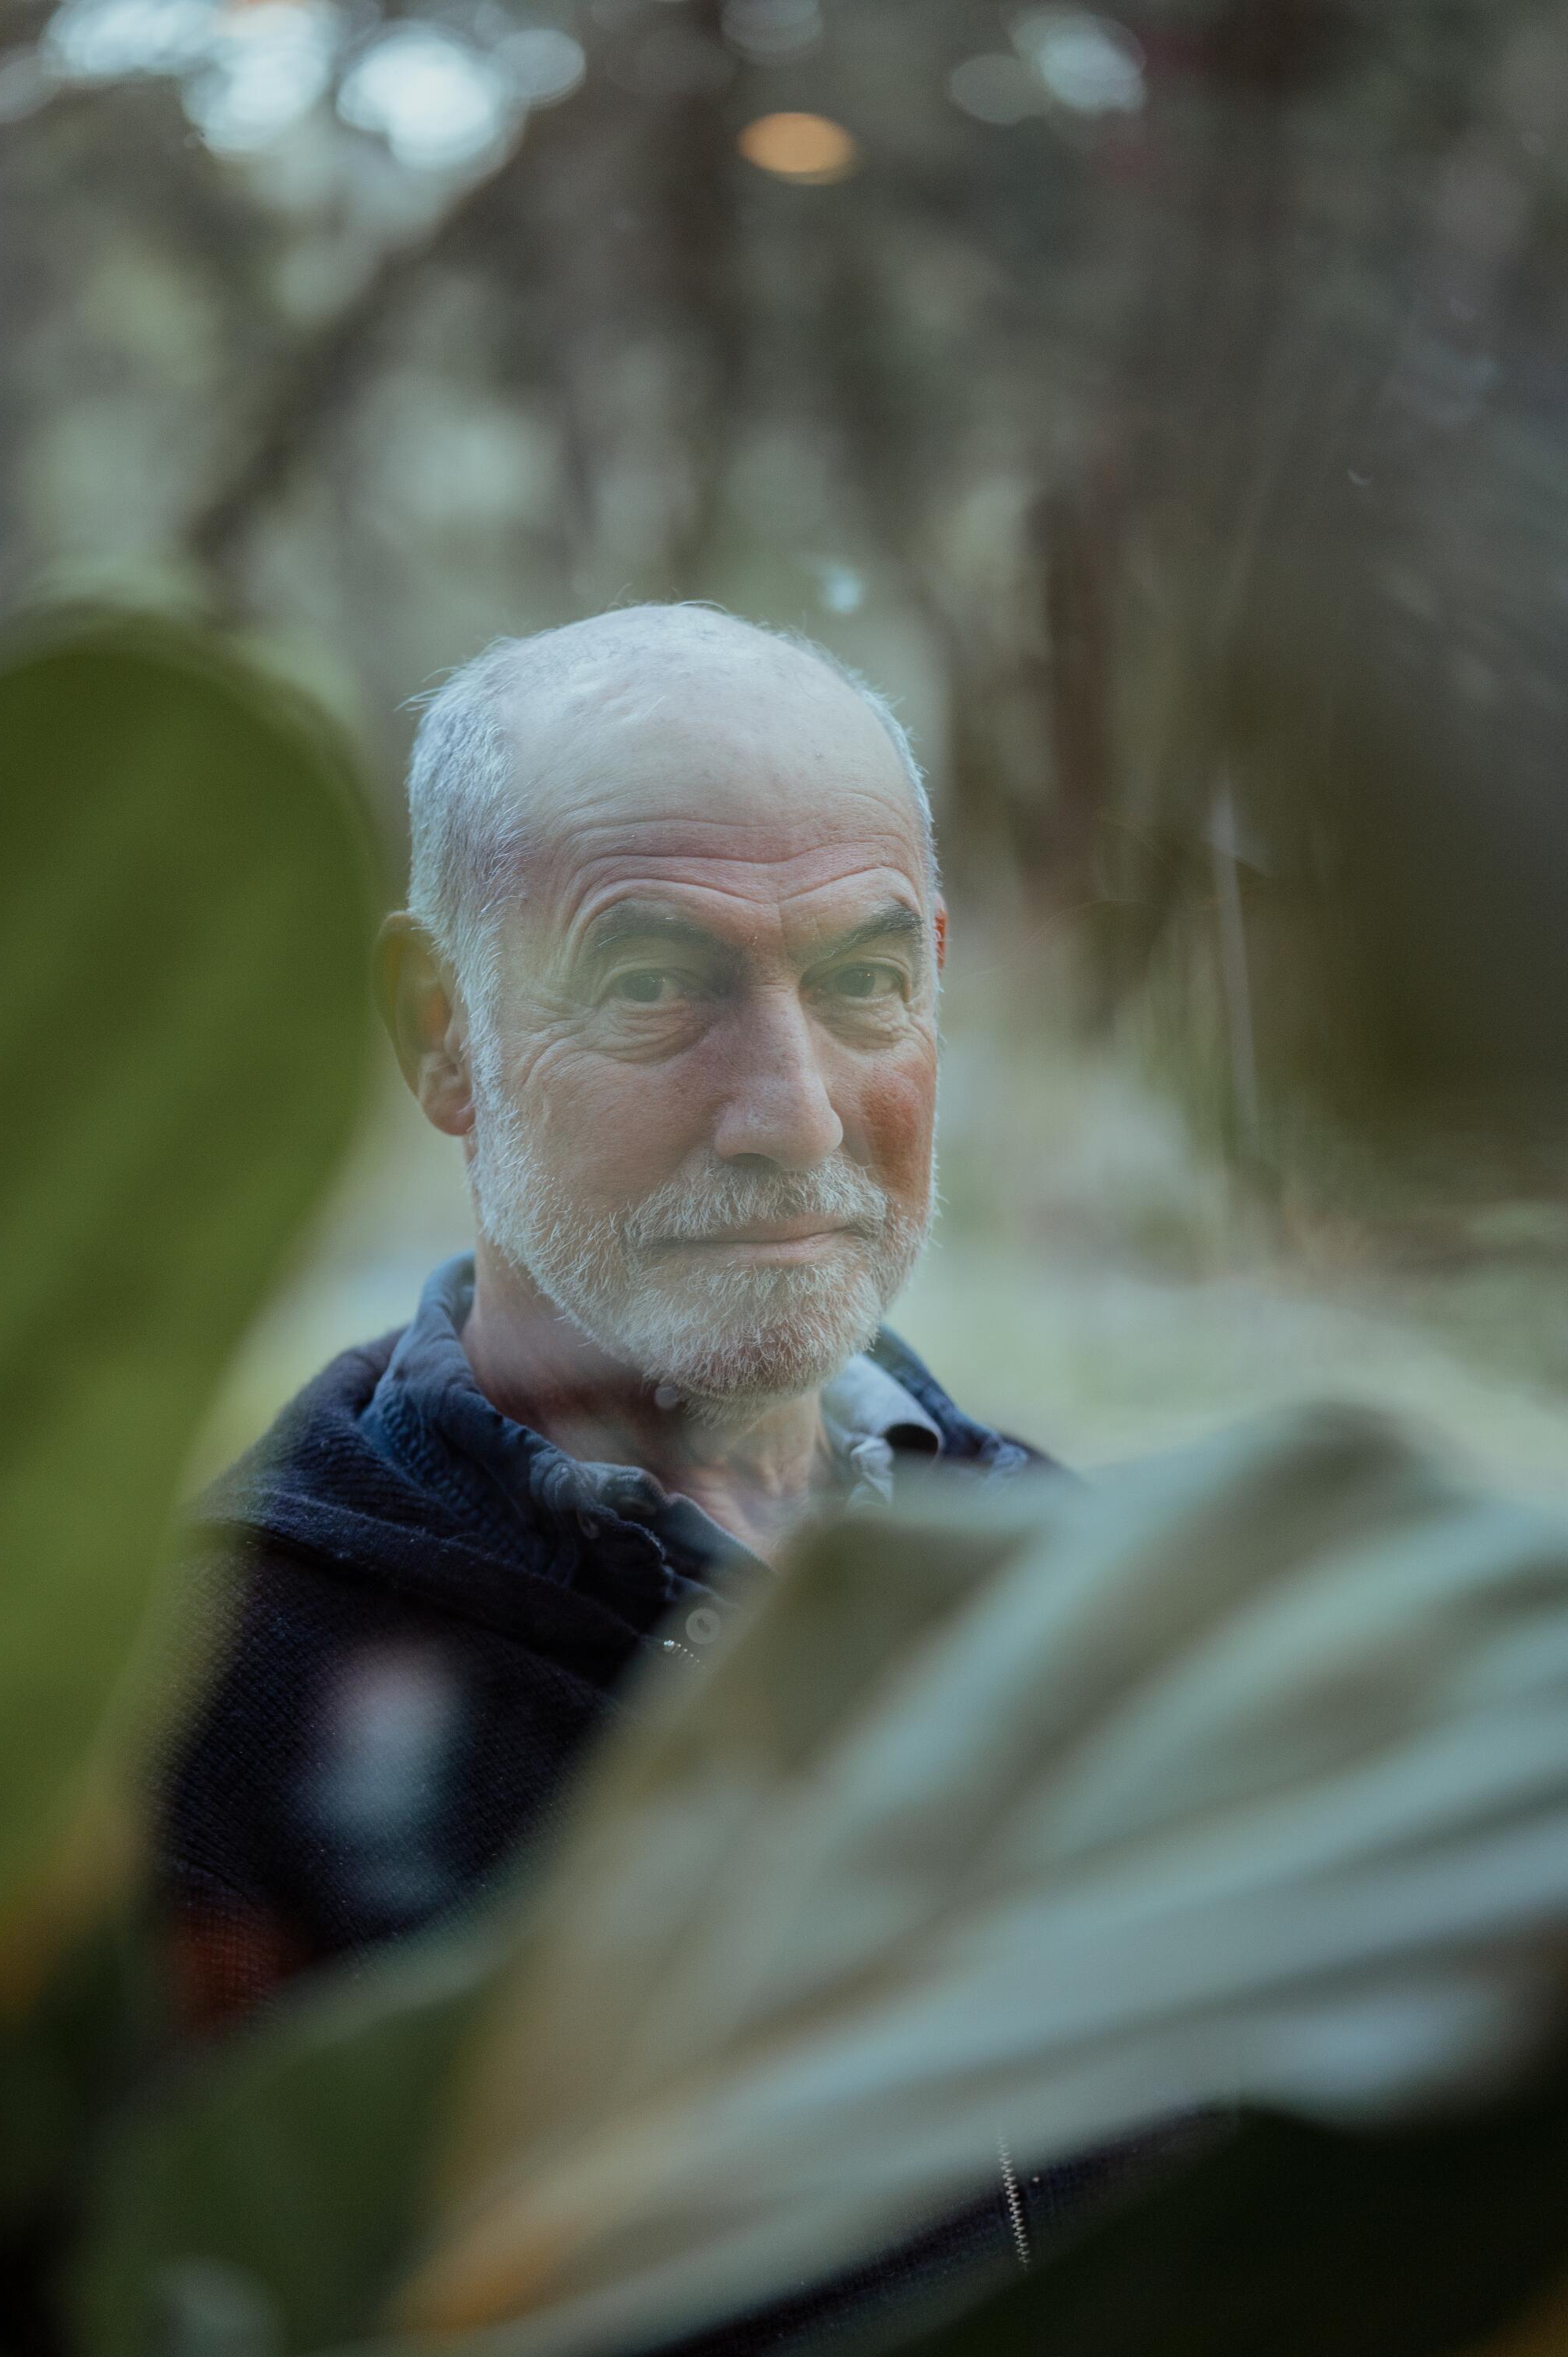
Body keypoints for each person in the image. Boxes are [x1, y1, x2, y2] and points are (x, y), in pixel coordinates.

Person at [157, 608, 1163, 2342]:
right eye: (650, 983)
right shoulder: (195, 1720)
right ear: (438, 1032)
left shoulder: (1100, 1596)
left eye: (861, 982)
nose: (790, 1110)